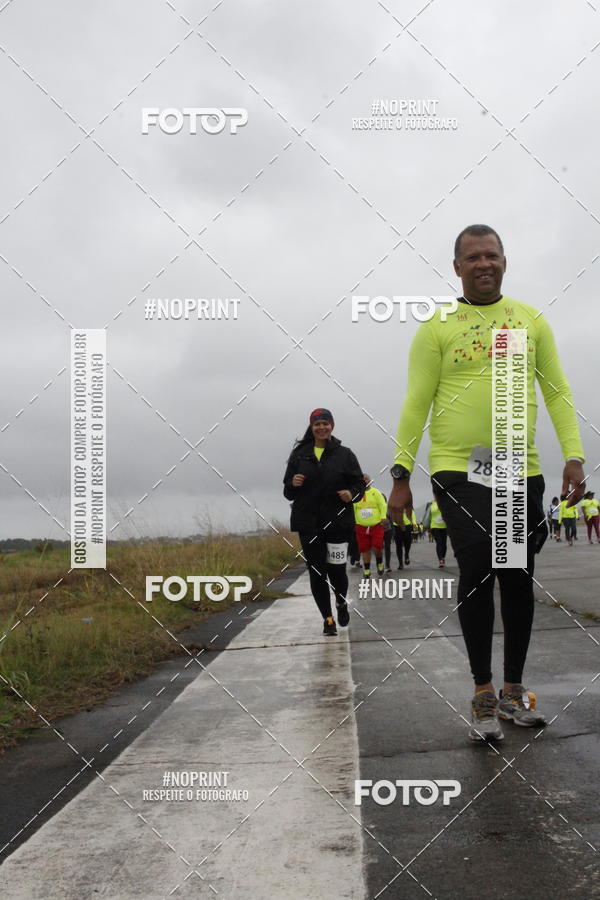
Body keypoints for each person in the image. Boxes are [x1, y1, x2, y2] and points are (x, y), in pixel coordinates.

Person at [388, 224, 586, 742]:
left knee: (515, 574)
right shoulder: (438, 327)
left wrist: (574, 456)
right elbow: (415, 403)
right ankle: (481, 689)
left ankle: (513, 692)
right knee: (478, 561)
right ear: (457, 267)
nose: (484, 264)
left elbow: (558, 393)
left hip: (518, 466)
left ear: (504, 261)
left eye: (492, 255)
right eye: (472, 257)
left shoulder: (528, 321)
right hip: (459, 465)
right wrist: (401, 474)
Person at [283, 409, 365, 636]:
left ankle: (340, 602)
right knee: (317, 572)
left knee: (337, 571)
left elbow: (360, 484)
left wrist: (352, 493)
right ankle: (327, 619)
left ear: (332, 426)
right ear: (311, 427)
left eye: (325, 424)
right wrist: (293, 482)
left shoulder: (345, 454)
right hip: (309, 524)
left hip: (338, 523)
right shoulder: (299, 455)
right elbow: (287, 492)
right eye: (317, 424)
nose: (321, 428)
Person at [354, 475, 388, 578]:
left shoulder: (376, 492)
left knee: (376, 546)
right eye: (362, 479)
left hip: (376, 525)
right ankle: (367, 569)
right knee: (364, 549)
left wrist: (383, 517)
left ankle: (380, 563)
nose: (364, 480)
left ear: (370, 481)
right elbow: (353, 508)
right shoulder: (357, 494)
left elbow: (383, 505)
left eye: (366, 478)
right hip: (361, 526)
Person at [425, 499, 447, 567]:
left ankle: (443, 557)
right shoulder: (431, 504)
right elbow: (428, 515)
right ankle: (440, 560)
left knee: (444, 544)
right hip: (434, 526)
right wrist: (428, 527)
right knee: (439, 542)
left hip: (444, 526)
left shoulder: (444, 502)